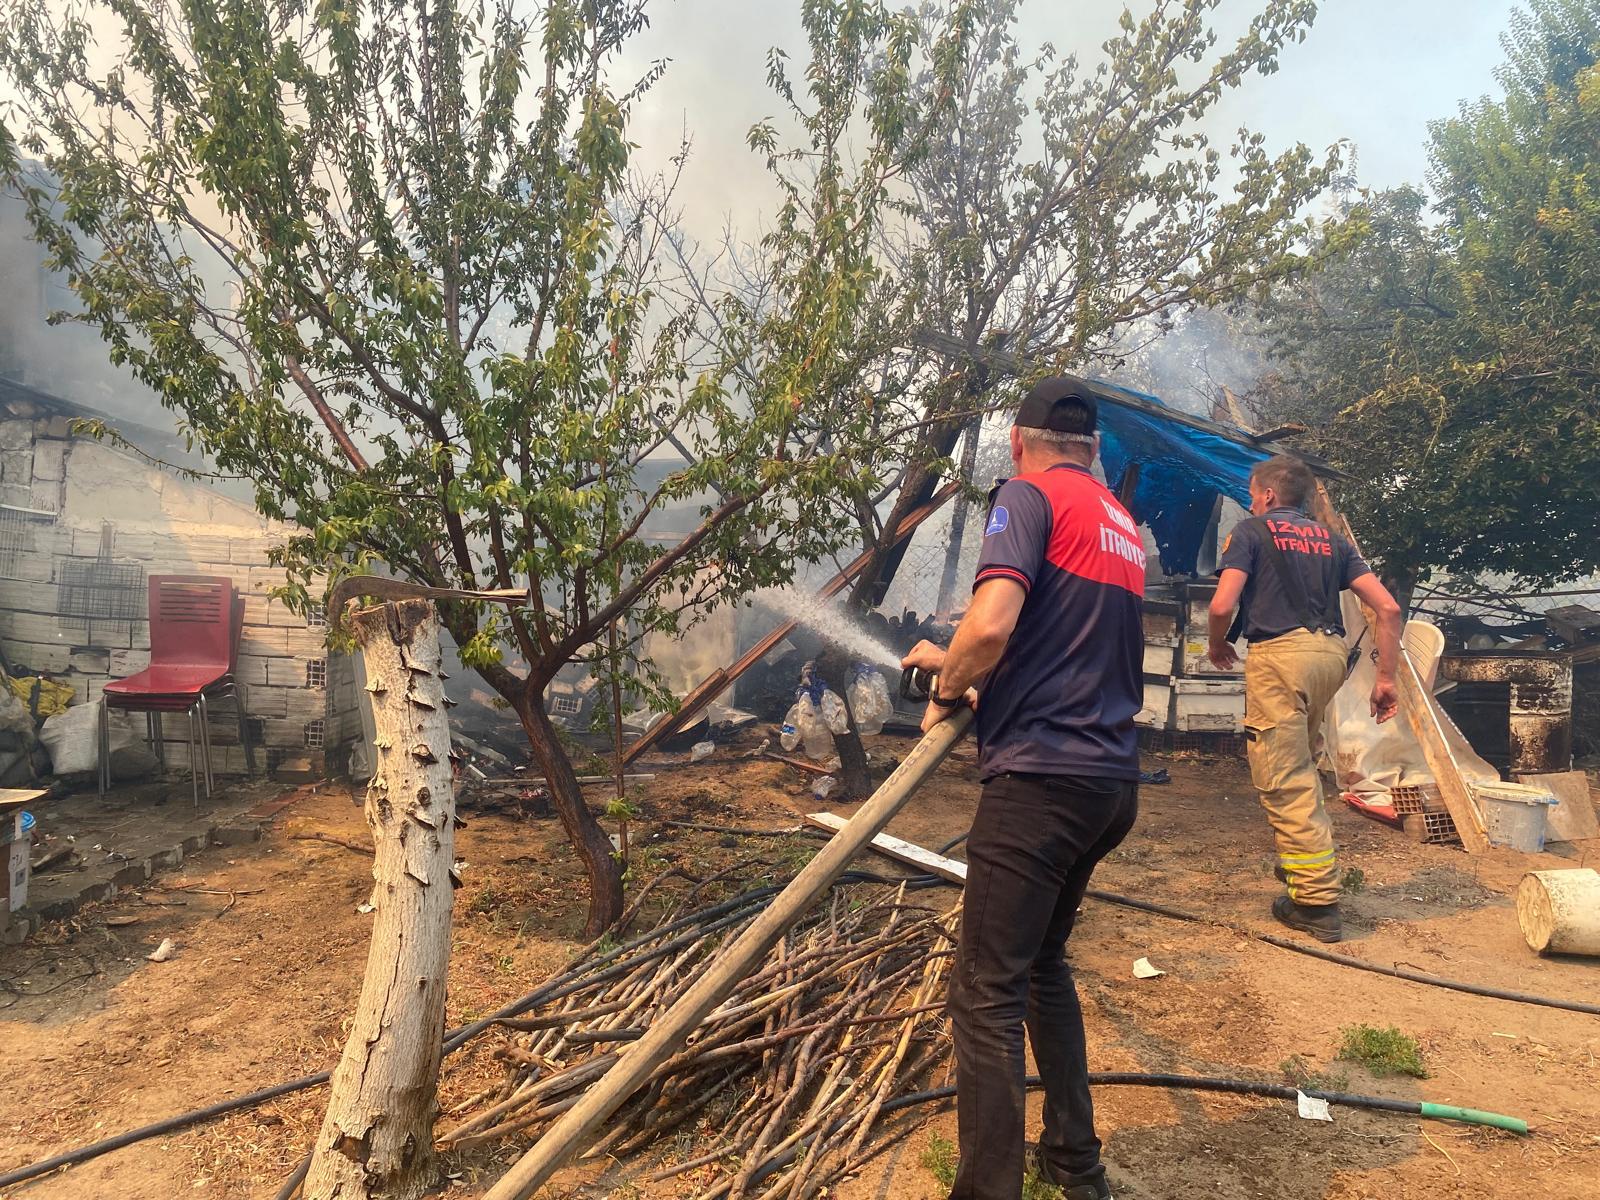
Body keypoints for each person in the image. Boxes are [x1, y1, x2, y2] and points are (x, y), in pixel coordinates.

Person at [902, 376, 1143, 1200]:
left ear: (1018, 439)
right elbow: (1057, 642)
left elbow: (996, 622)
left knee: (986, 992)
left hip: (1040, 782)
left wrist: (943, 694)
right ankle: (1075, 1166)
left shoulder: (1025, 495)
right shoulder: (1118, 522)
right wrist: (958, 663)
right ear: (1094, 447)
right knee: (1043, 965)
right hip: (1109, 782)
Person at [1207, 455, 1403, 944]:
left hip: (1281, 656)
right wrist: (1386, 679)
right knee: (1302, 763)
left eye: (1253, 493)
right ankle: (1302, 865)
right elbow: (1388, 607)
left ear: (1269, 495)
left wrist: (1216, 643)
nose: (1252, 501)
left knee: (1284, 777)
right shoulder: (1333, 540)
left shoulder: (1250, 533)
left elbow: (1221, 604)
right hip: (1329, 656)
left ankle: (1315, 903)